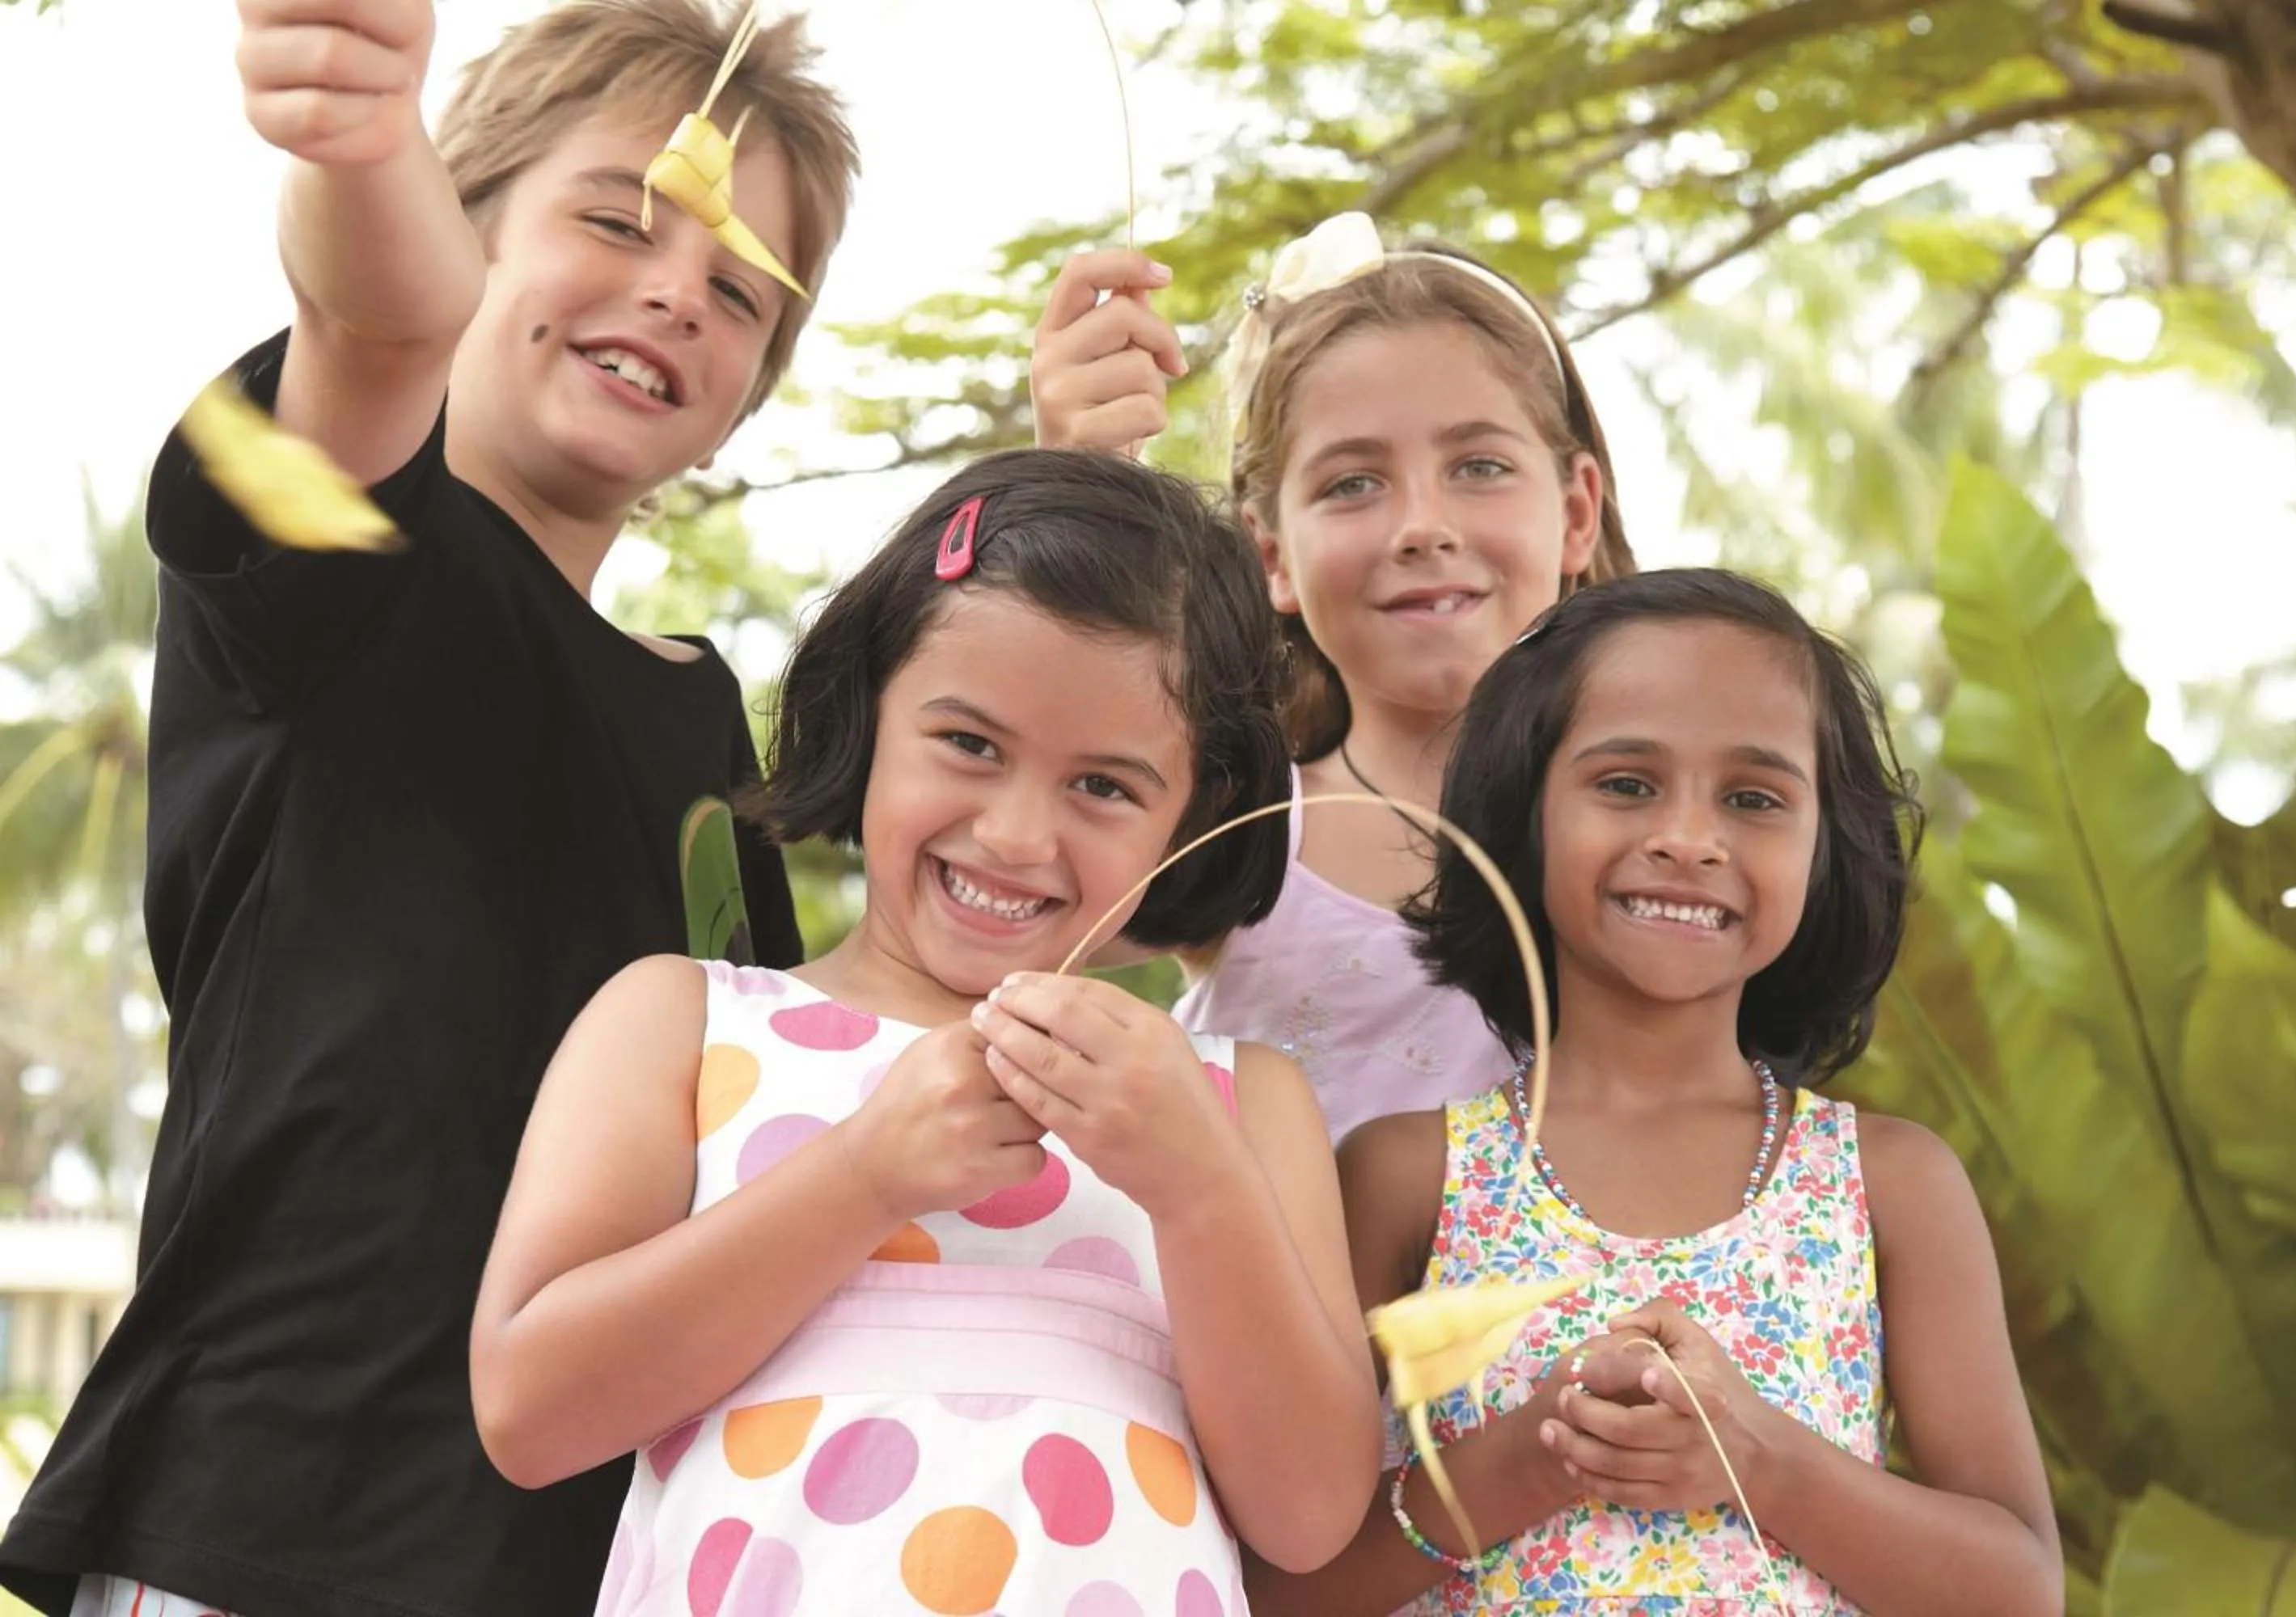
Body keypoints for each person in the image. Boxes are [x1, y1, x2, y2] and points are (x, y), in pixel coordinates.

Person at [0, 3, 856, 1614]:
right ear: (464, 230)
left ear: (748, 388)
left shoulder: (712, 736)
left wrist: (1070, 483)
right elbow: (377, 332)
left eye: (741, 288)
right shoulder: (339, 554)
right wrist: (362, 136)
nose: (678, 285)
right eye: (614, 215)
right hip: (272, 1533)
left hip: (611, 1563)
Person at [468, 450, 1381, 1615]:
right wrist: (862, 1175)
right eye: (969, 744)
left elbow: (1307, 1520)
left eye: (1104, 786)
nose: (1013, 833)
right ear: (869, 712)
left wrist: (1200, 1187)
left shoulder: (1238, 1102)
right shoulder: (683, 1022)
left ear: (1193, 814)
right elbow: (530, 1415)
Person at [1253, 569, 2062, 1615]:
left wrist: (1760, 1459)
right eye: (1628, 783)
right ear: (1524, 810)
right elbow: (1273, 1587)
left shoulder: (1891, 1185)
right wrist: (1518, 1469)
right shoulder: (1408, 1175)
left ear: (1826, 850)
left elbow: (2018, 1591)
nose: (1689, 836)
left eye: (1754, 798)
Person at [1031, 213, 1633, 1141]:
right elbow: (1010, 898)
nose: (1421, 526)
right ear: (1271, 552)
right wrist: (1073, 497)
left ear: (1576, 510)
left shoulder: (1665, 825)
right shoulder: (1238, 825)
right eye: (1353, 483)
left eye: (1479, 465)